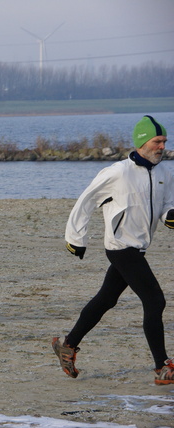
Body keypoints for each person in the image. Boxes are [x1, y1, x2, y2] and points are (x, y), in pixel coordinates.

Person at [52, 115, 174, 385]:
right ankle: (162, 367)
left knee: (106, 300)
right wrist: (76, 238)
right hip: (120, 247)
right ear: (142, 143)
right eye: (157, 141)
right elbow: (85, 201)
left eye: (164, 141)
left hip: (139, 249)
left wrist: (170, 216)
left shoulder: (165, 173)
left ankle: (67, 345)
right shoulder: (117, 172)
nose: (162, 146)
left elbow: (167, 205)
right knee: (155, 300)